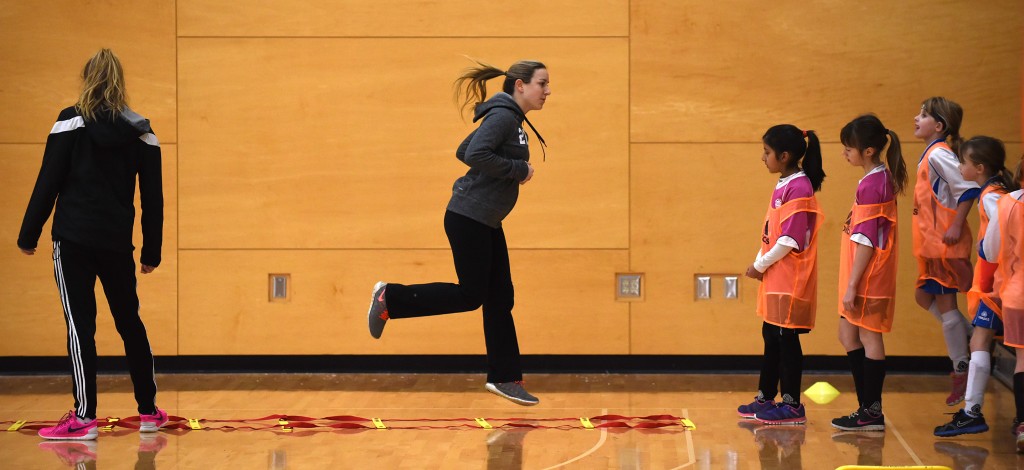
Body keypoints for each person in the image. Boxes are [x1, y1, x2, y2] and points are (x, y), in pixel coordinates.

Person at [364, 59, 550, 406]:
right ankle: (390, 298)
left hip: (486, 219)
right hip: (469, 216)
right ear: (520, 86)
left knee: (500, 297)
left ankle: (506, 378)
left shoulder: (510, 118)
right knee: (471, 295)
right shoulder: (503, 116)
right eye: (542, 83)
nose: (547, 91)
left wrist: (510, 169)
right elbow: (476, 153)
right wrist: (518, 169)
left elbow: (465, 150)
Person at [17, 49, 168, 440]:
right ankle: (149, 411)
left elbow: (47, 180)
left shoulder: (70, 122)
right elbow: (153, 199)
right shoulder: (142, 131)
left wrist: (28, 233)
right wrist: (152, 251)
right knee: (129, 322)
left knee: (79, 325)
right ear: (121, 81)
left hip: (73, 240)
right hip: (117, 243)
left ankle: (85, 417)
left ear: (87, 78)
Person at [739, 125, 825, 425]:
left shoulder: (799, 186)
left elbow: (790, 239)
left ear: (785, 155)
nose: (764, 158)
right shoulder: (785, 182)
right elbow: (771, 233)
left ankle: (792, 405)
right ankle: (766, 396)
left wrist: (759, 265)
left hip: (791, 276)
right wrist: (760, 263)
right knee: (771, 334)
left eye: (767, 152)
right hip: (777, 274)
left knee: (787, 338)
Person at [935, 137, 1018, 436]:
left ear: (979, 168)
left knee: (981, 343)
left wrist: (983, 248)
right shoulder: (991, 191)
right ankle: (972, 410)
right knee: (980, 342)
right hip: (997, 282)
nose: (959, 167)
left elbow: (1000, 236)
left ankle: (972, 411)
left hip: (999, 284)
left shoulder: (992, 196)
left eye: (964, 163)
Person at [831, 115, 907, 432]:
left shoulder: (876, 184)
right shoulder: (872, 180)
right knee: (847, 333)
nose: (845, 153)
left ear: (869, 151)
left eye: (850, 148)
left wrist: (852, 285)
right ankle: (866, 408)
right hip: (861, 275)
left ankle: (871, 412)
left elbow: (867, 241)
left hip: (869, 276)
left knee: (868, 336)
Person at [911, 97, 979, 406]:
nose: (916, 117)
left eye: (923, 115)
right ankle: (975, 339)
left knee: (947, 304)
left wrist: (956, 225)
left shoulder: (939, 154)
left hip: (944, 244)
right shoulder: (931, 154)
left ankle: (961, 368)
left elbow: (967, 188)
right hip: (930, 245)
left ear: (938, 126)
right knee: (923, 297)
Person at [992, 160, 1024, 451]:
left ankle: (1023, 423)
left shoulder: (1007, 203)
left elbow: (994, 250)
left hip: (1017, 293)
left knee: (1023, 361)